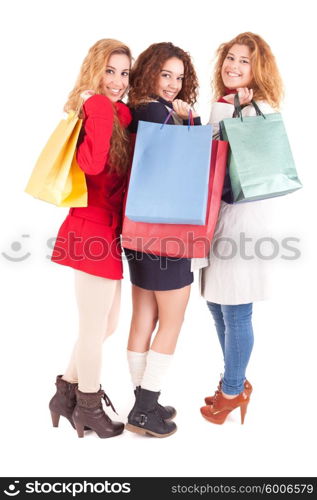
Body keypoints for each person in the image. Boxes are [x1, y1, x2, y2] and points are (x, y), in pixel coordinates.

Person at [48, 39, 132, 439]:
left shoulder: (116, 114)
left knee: (106, 324)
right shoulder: (93, 110)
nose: (116, 81)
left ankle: (65, 392)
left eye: (124, 73)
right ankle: (88, 406)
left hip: (108, 230)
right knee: (95, 324)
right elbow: (92, 164)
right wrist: (98, 106)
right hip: (89, 228)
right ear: (95, 70)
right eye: (110, 71)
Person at [200, 32, 283, 425]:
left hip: (244, 219)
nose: (233, 66)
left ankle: (232, 389)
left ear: (258, 68)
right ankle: (235, 382)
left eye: (244, 61)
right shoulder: (221, 104)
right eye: (230, 58)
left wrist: (243, 115)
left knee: (237, 307)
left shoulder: (259, 107)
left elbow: (257, 163)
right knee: (217, 302)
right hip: (218, 216)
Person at [123, 42, 201, 437]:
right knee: (172, 319)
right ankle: (145, 406)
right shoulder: (161, 112)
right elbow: (191, 161)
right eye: (165, 75)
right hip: (168, 229)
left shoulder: (138, 110)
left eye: (179, 77)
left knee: (143, 317)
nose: (172, 84)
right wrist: (192, 120)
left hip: (137, 228)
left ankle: (142, 400)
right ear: (151, 72)